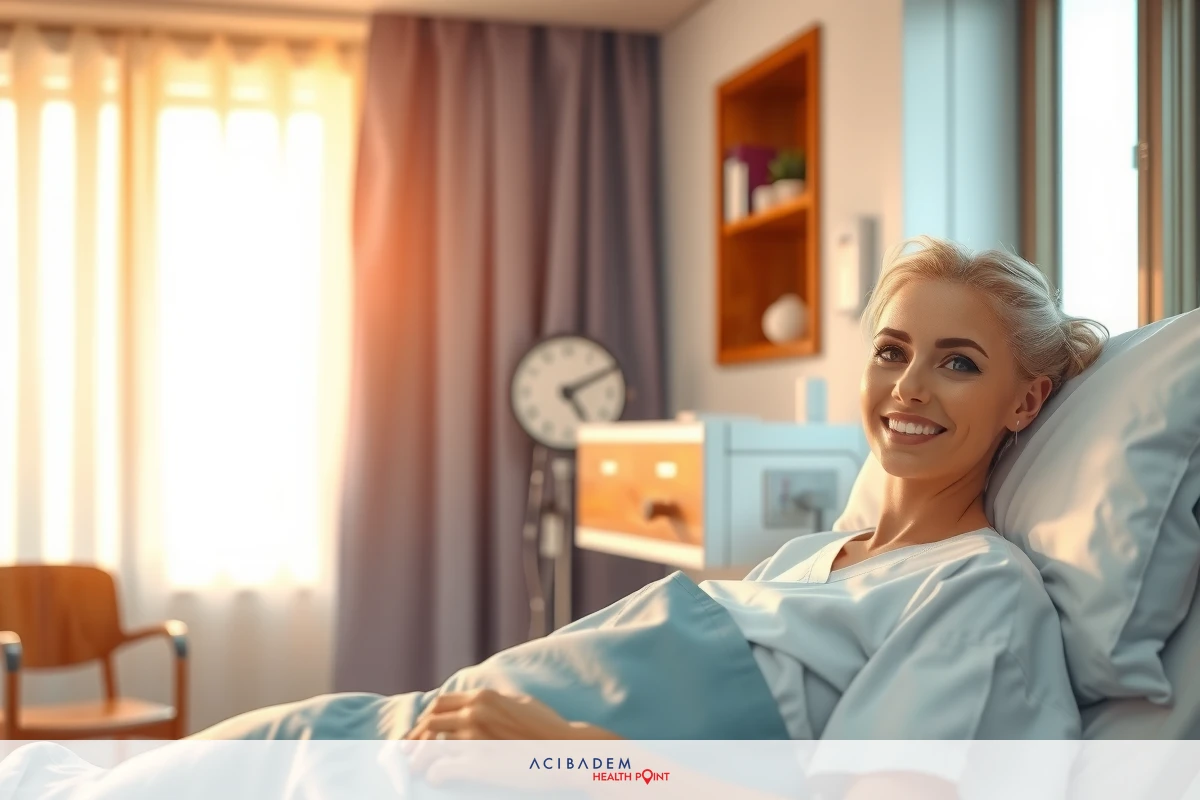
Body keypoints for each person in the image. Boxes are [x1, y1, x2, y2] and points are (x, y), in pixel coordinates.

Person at [195, 236, 1107, 762]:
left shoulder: (979, 591)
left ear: (1024, 400)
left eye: (958, 363)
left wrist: (564, 754)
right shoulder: (811, 558)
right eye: (891, 350)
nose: (909, 386)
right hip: (424, 727)